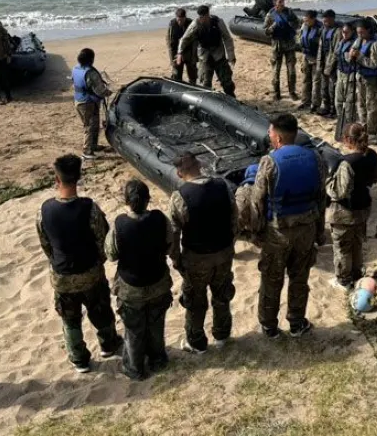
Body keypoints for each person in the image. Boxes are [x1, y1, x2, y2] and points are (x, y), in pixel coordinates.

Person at [37, 155, 122, 373]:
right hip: (90, 272)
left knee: (69, 318)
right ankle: (108, 344)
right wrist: (97, 262)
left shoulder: (44, 210)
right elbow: (102, 239)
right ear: (79, 177)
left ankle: (78, 358)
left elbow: (45, 243)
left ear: (57, 179)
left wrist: (57, 262)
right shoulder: (90, 208)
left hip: (62, 276)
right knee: (101, 311)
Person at [250, 113, 328, 338]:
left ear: (278, 138)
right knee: (299, 278)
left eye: (271, 132)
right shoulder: (316, 158)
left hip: (278, 232)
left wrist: (257, 231)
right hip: (307, 229)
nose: (269, 135)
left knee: (272, 280)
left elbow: (257, 199)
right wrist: (320, 231)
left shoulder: (269, 161)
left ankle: (269, 325)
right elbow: (321, 198)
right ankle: (296, 322)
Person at [104, 180, 174, 381]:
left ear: (126, 201)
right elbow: (169, 246)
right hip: (158, 282)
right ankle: (158, 360)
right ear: (148, 200)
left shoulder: (120, 224)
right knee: (156, 324)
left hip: (131, 287)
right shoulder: (161, 219)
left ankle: (134, 368)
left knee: (134, 330)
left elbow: (110, 254)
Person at [168, 153, 238, 353]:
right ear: (199, 165)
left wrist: (176, 259)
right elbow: (235, 219)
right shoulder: (222, 187)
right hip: (224, 253)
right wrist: (229, 245)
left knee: (195, 301)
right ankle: (222, 335)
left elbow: (173, 234)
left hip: (196, 258)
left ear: (179, 173)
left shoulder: (180, 197)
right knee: (222, 295)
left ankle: (196, 342)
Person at [326, 123, 377, 290]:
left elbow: (339, 192)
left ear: (347, 140)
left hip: (345, 211)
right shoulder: (372, 155)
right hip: (363, 207)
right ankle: (357, 273)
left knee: (342, 247)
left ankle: (343, 280)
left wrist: (327, 183)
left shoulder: (346, 163)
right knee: (357, 242)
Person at [176, 4, 236, 97]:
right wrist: (180, 53)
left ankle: (231, 98)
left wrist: (231, 56)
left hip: (218, 54)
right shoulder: (195, 24)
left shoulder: (218, 22)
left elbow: (227, 38)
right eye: (200, 17)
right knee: (205, 83)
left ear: (208, 14)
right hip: (204, 56)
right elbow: (184, 39)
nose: (202, 19)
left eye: (204, 16)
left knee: (227, 83)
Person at [72, 48, 112, 161]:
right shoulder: (91, 73)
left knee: (94, 124)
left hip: (81, 101)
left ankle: (93, 145)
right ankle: (86, 151)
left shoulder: (75, 68)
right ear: (91, 59)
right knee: (89, 126)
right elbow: (100, 91)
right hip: (86, 103)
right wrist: (109, 92)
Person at [351, 20, 377, 136]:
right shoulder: (359, 40)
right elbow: (351, 54)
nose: (359, 35)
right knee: (361, 104)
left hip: (374, 81)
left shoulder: (376, 44)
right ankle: (363, 128)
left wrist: (359, 57)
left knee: (371, 107)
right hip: (361, 77)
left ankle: (371, 133)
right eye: (358, 32)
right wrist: (350, 55)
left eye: (362, 32)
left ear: (369, 30)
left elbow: (373, 64)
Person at [263, 0, 300, 101]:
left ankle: (292, 92)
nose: (282, 4)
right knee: (276, 70)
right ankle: (276, 93)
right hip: (277, 46)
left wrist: (290, 25)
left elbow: (297, 23)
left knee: (291, 71)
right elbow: (265, 31)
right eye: (280, 2)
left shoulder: (289, 12)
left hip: (289, 45)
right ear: (275, 3)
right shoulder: (270, 15)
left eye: (283, 1)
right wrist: (274, 26)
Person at [333, 23, 359, 141]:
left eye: (347, 32)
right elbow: (335, 55)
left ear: (352, 32)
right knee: (338, 100)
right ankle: (341, 121)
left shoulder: (355, 44)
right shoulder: (341, 42)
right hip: (341, 73)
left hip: (351, 75)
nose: (344, 34)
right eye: (343, 32)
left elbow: (350, 59)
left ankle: (349, 126)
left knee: (349, 103)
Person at [316, 10, 341, 118]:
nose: (324, 23)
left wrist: (329, 67)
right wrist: (320, 64)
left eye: (326, 21)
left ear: (332, 19)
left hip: (333, 63)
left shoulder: (338, 32)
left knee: (332, 87)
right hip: (324, 59)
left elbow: (336, 52)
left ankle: (333, 108)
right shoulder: (324, 30)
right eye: (324, 21)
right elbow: (320, 48)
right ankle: (325, 105)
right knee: (324, 86)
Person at [297, 9, 323, 111]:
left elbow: (323, 45)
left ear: (313, 19)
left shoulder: (320, 28)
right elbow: (300, 38)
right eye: (305, 20)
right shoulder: (304, 26)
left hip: (316, 58)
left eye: (307, 20)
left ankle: (315, 104)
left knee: (316, 82)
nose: (306, 22)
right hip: (306, 56)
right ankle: (305, 101)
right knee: (305, 80)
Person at [167, 8, 198, 85]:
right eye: (178, 20)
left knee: (192, 74)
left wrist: (194, 57)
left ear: (185, 17)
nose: (180, 22)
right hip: (177, 53)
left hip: (189, 52)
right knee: (176, 74)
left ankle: (193, 86)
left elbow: (195, 42)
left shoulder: (191, 24)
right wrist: (172, 60)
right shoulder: (172, 25)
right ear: (176, 17)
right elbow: (170, 44)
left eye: (182, 20)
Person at [235, 163, 260, 237]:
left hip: (247, 230)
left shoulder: (240, 191)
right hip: (263, 230)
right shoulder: (266, 191)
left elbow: (239, 215)